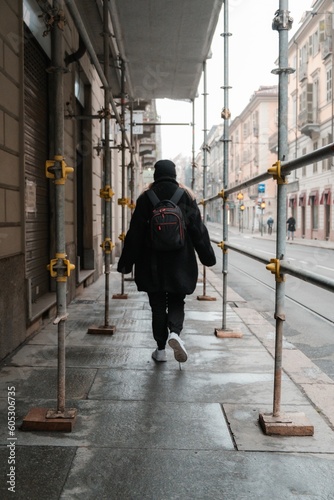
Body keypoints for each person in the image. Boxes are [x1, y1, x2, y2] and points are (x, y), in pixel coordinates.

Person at [117, 159, 216, 364]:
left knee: (157, 305)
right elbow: (198, 230)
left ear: (155, 175)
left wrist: (125, 264)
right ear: (174, 175)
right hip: (181, 261)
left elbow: (134, 234)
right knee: (177, 300)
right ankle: (176, 333)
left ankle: (160, 349)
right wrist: (208, 257)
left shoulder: (145, 198)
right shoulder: (186, 197)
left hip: (151, 263)